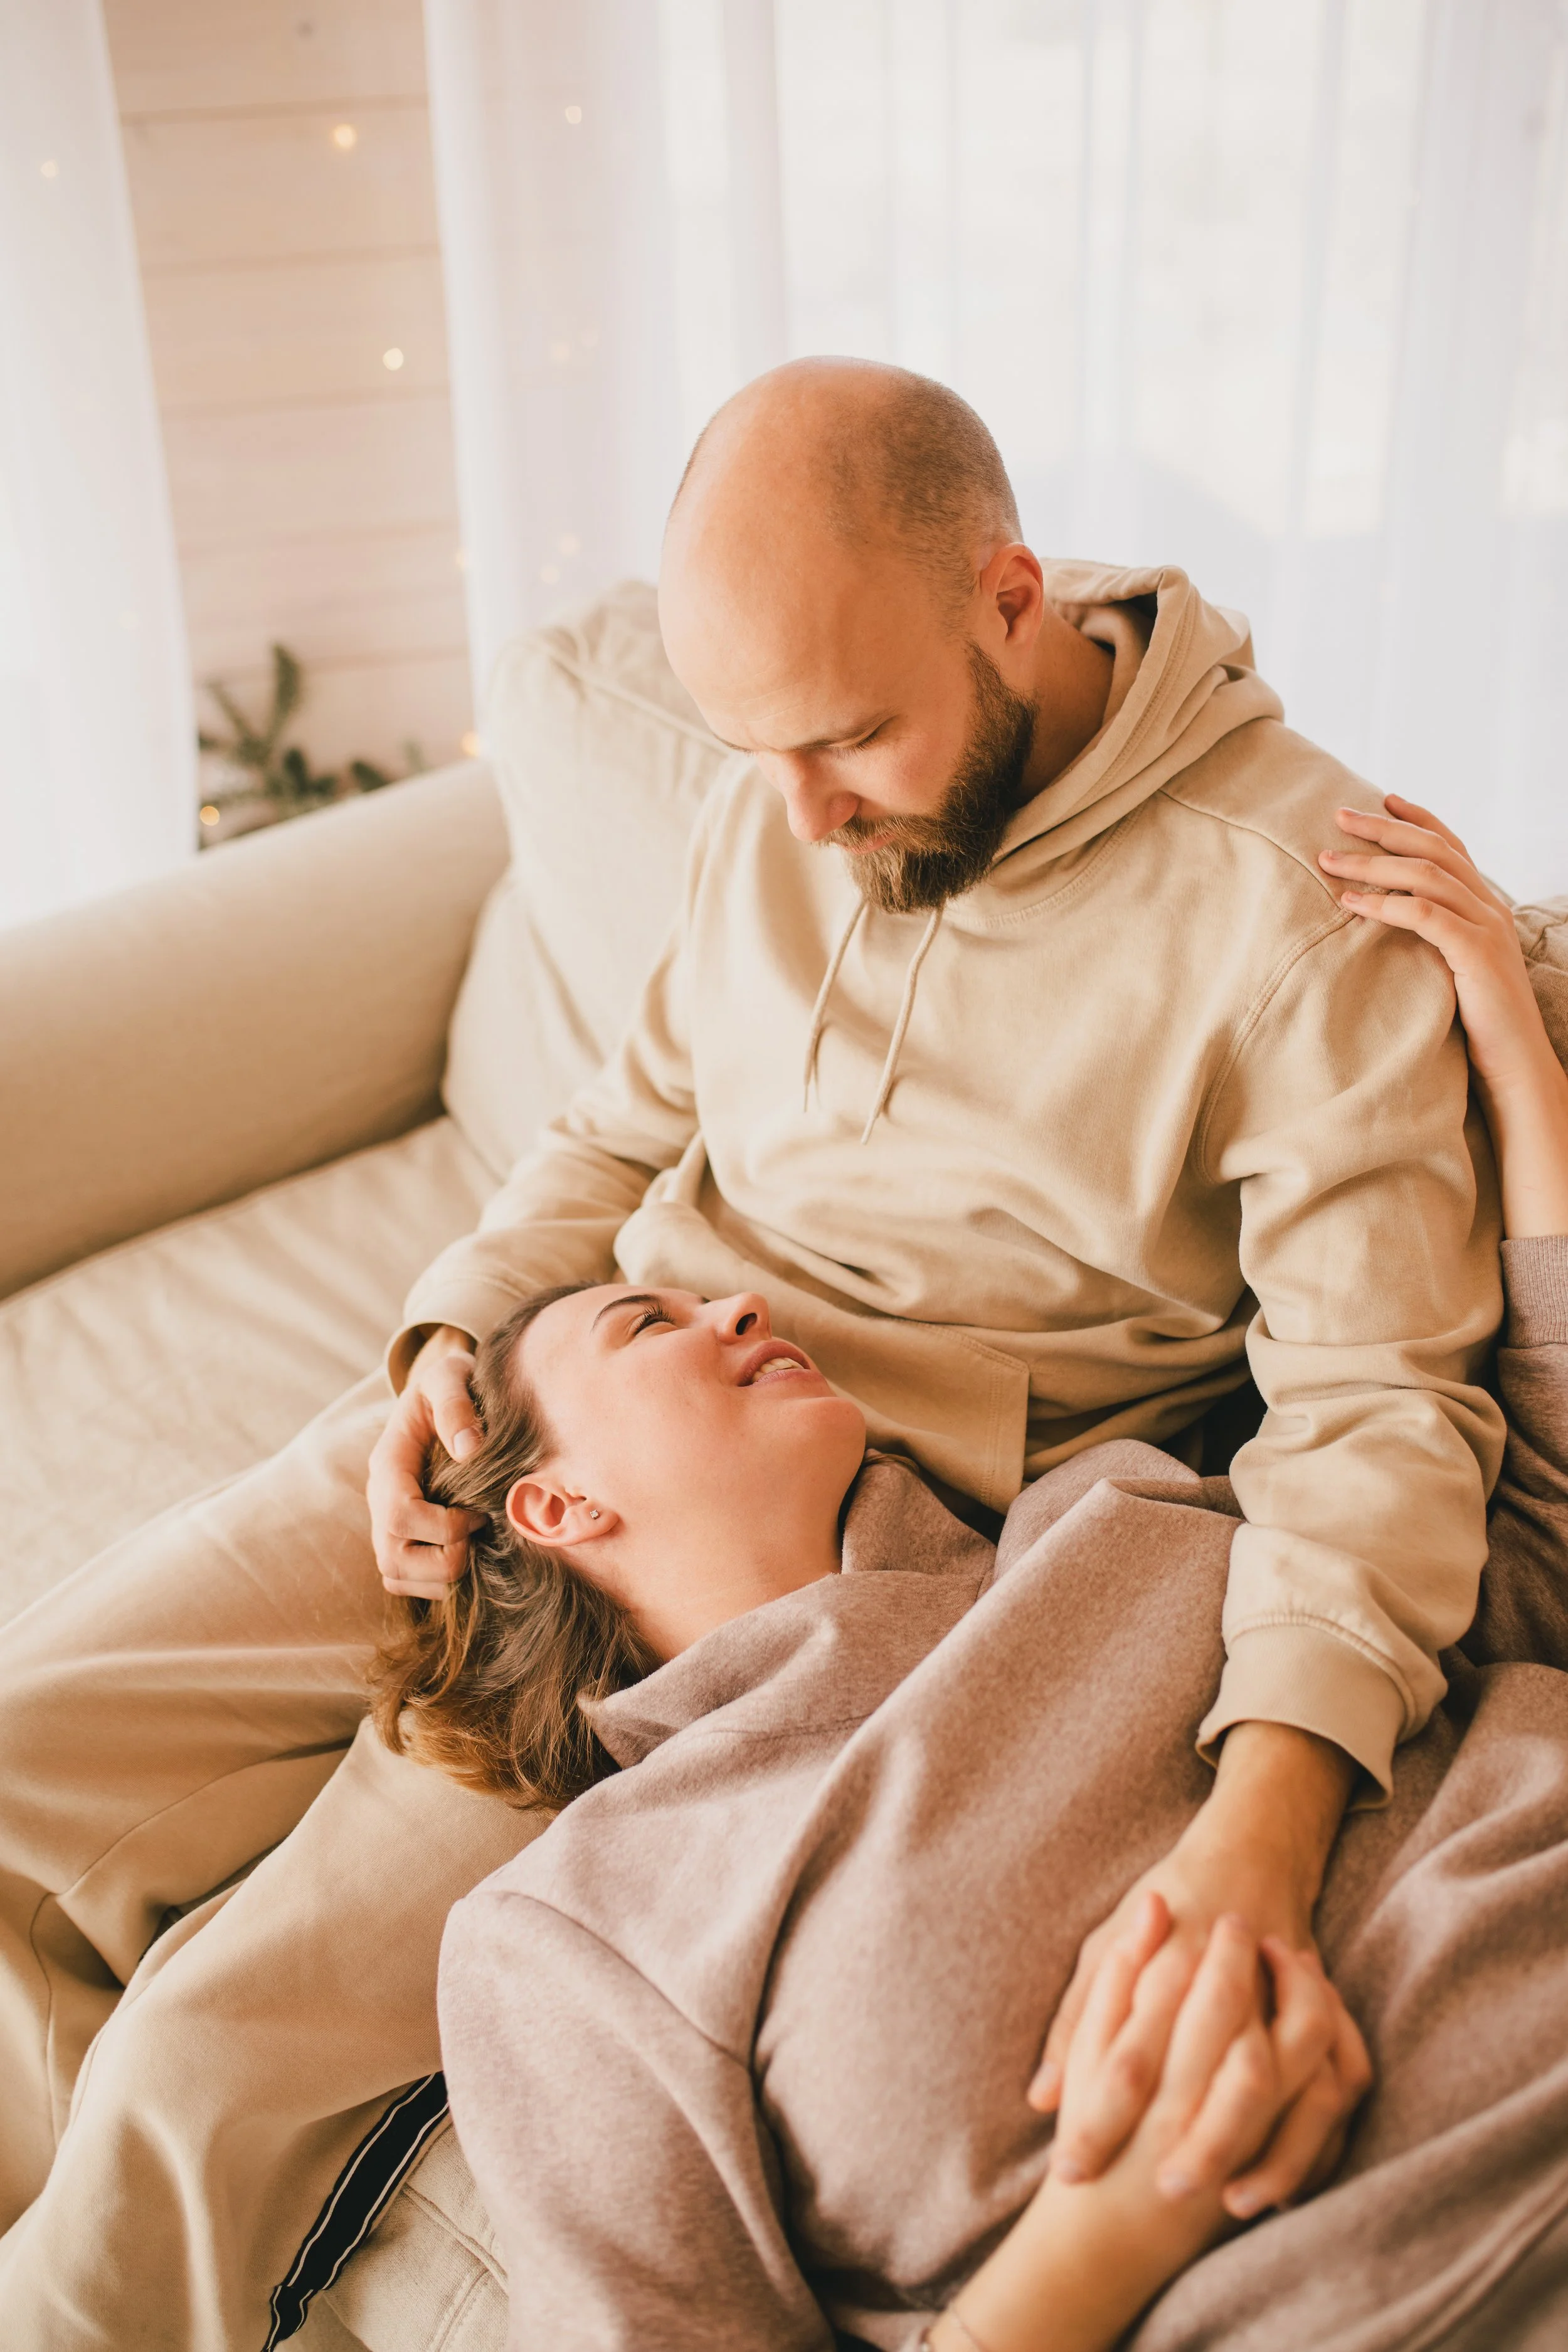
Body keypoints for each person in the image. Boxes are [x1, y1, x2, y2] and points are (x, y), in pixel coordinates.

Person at [0, 358, 1505, 2346]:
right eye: (750, 747)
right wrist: (448, 1337)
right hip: (566, 1391)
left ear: (1010, 596)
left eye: (849, 740)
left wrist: (1259, 1820)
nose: (794, 811)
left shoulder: (1297, 913)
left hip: (779, 1555)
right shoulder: (776, 790)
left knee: (208, 2066)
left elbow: (1379, 1410)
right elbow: (621, 1125)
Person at [423, 796, 1568, 2351]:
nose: (735, 1310)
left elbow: (1523, 1569)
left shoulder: (1118, 1508)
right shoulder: (585, 1929)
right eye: (649, 1323)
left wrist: (1509, 1051)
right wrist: (1110, 2239)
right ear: (550, 1506)